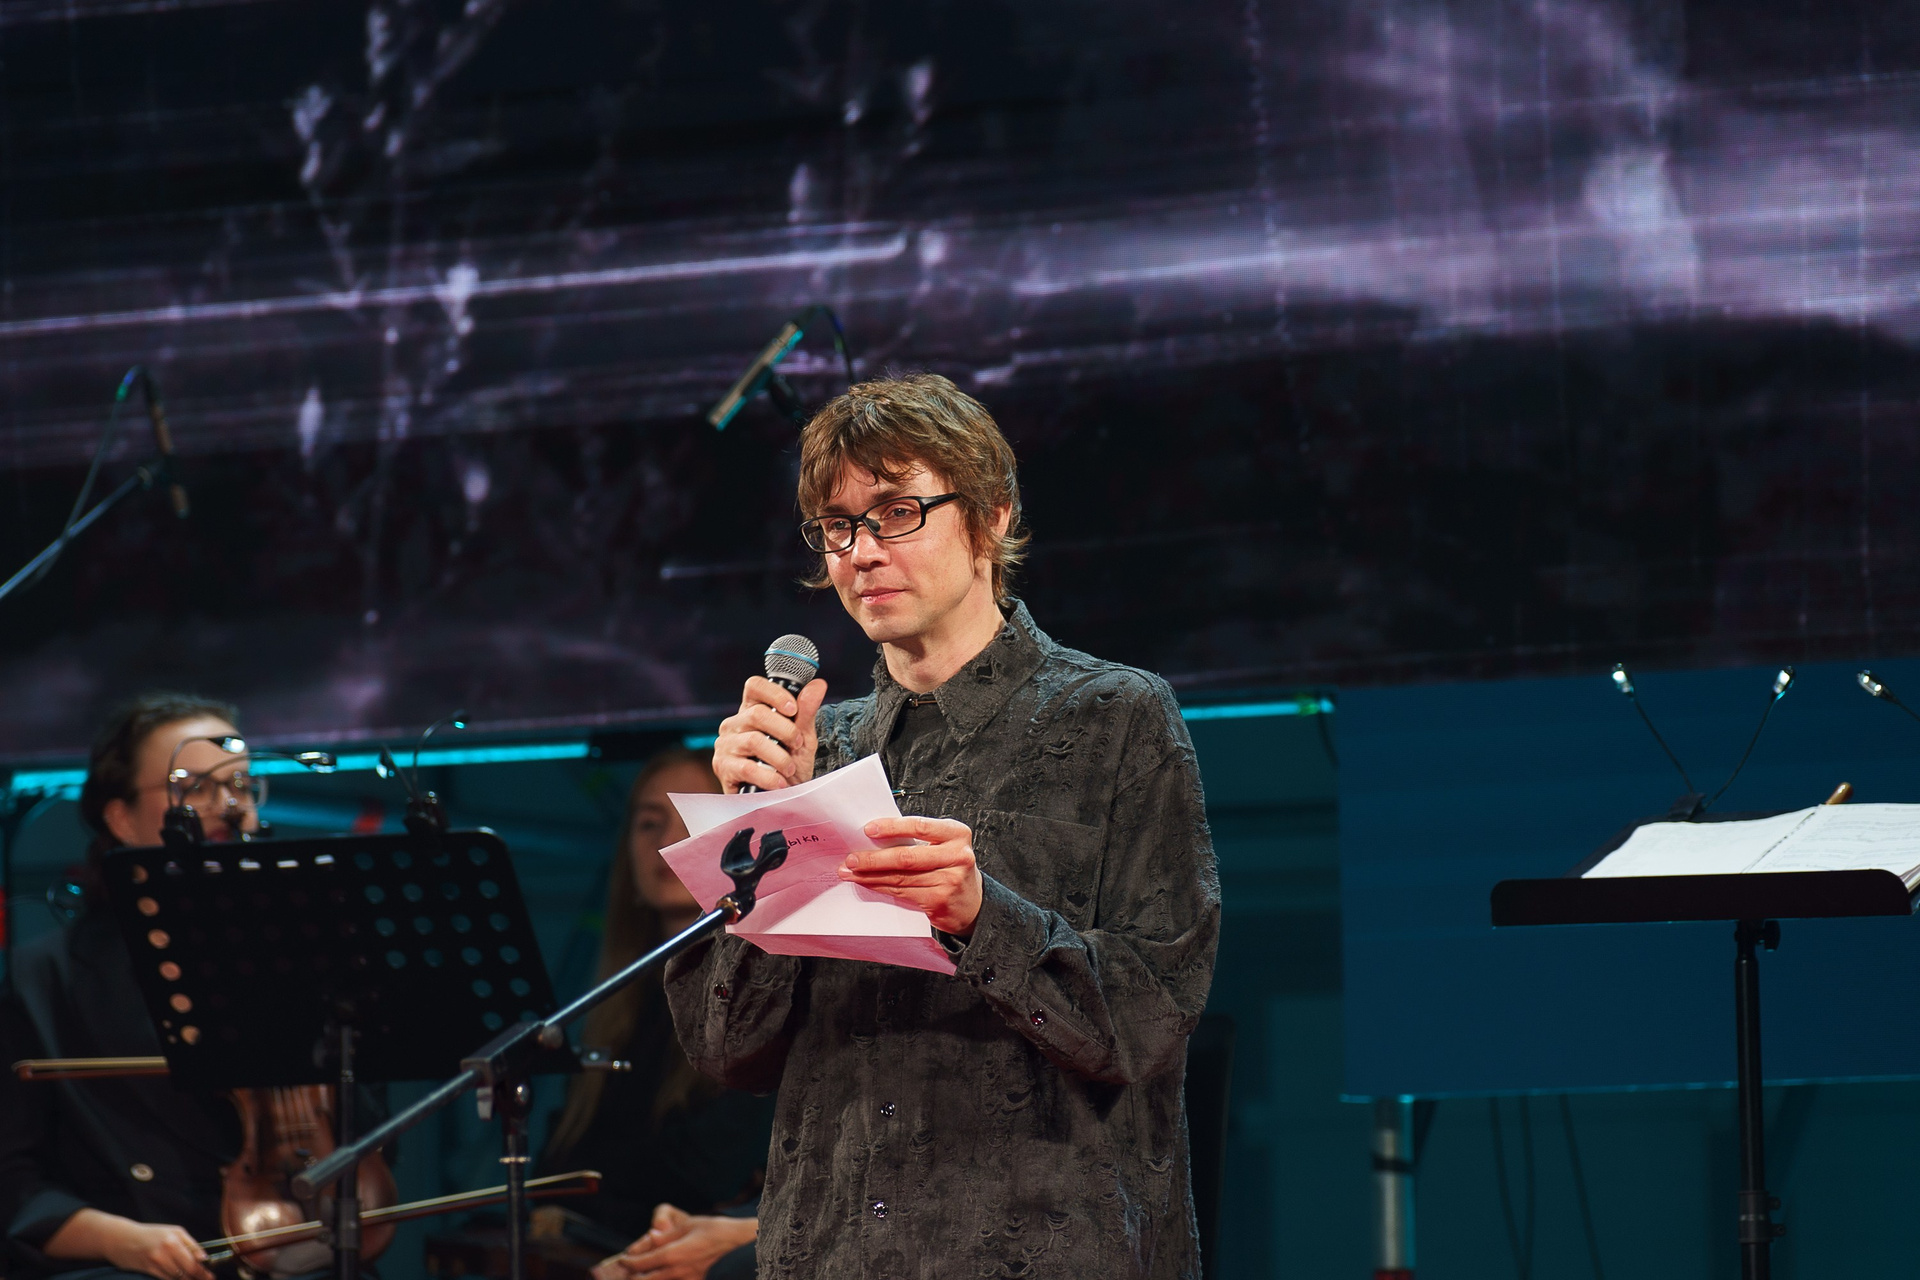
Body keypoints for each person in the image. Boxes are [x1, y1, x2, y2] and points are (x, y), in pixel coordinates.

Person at [665, 373, 1221, 1277]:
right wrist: (760, 824)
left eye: (897, 513)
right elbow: (726, 1051)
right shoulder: (815, 747)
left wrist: (980, 917)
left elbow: (1152, 1013)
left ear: (992, 517)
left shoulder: (1116, 716)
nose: (862, 553)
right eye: (838, 527)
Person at [0, 693, 263, 1280]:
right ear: (120, 819)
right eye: (193, 787)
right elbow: (12, 1180)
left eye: (241, 786)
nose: (228, 807)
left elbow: (364, 1141)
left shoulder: (298, 953)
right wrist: (118, 1240)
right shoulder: (43, 978)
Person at [542, 748, 769, 1280]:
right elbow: (563, 1152)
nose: (667, 842)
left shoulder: (761, 988)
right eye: (649, 823)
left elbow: (711, 1170)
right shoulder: (617, 1000)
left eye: (690, 819)